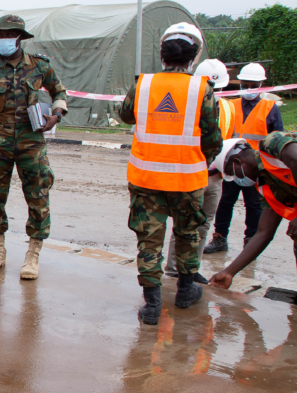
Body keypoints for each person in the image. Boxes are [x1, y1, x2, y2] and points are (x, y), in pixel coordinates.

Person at [118, 23, 222, 325]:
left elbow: (126, 114)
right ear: (192, 58)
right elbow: (212, 137)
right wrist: (202, 159)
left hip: (145, 179)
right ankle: (186, 292)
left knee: (149, 240)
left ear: (161, 55)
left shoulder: (143, 85)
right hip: (187, 180)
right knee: (187, 233)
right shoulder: (202, 89)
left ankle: (151, 306)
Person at [0, 15, 68, 280]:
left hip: (31, 140)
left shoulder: (39, 66)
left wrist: (56, 114)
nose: (3, 39)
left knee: (38, 196)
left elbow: (59, 91)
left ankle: (32, 255)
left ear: (20, 37)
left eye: (9, 34)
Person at [164, 59, 236, 282]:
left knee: (204, 224)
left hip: (215, 176)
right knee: (184, 224)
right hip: (191, 175)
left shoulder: (228, 107)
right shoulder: (187, 103)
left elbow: (229, 140)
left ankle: (192, 269)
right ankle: (174, 269)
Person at [205, 62, 283, 254]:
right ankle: (220, 238)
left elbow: (277, 138)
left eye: (252, 85)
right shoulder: (231, 105)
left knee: (254, 206)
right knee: (225, 203)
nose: (248, 89)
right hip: (231, 164)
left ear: (261, 85)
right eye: (245, 84)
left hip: (257, 168)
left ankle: (251, 242)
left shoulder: (270, 108)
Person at [210, 133, 297, 290]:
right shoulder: (267, 186)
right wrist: (229, 272)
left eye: (231, 173)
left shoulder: (273, 145)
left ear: (238, 162)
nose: (236, 180)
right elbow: (264, 233)